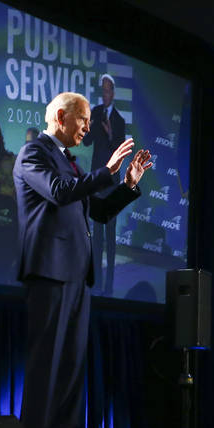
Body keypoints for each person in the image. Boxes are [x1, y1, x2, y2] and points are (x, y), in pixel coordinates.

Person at [14, 91, 152, 428]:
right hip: (49, 271)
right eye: (83, 119)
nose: (89, 127)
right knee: (46, 360)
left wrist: (128, 183)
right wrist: (105, 170)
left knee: (72, 361)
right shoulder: (34, 154)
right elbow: (59, 193)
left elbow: (102, 212)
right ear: (61, 117)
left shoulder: (71, 163)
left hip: (77, 273)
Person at [81, 74, 125, 296]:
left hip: (113, 184)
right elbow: (87, 142)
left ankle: (108, 286)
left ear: (113, 93)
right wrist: (87, 126)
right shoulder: (96, 113)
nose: (105, 94)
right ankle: (96, 281)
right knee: (96, 235)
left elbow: (120, 152)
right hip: (98, 180)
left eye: (108, 90)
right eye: (103, 90)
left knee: (110, 236)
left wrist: (110, 136)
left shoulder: (119, 121)